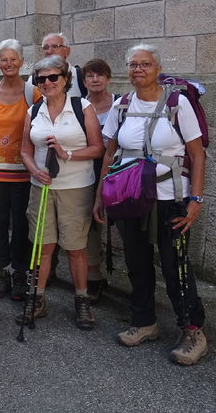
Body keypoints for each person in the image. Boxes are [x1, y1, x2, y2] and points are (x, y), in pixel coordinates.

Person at [94, 44, 208, 365]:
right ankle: (144, 322)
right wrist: (101, 195)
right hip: (130, 197)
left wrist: (196, 199)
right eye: (133, 64)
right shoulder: (121, 105)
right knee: (137, 262)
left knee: (176, 265)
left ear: (158, 69)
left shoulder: (177, 103)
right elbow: (109, 154)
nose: (138, 69)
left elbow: (197, 154)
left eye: (145, 64)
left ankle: (193, 331)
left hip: (171, 199)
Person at [18, 55, 103, 330]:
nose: (47, 82)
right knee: (42, 246)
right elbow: (25, 150)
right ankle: (37, 299)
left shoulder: (82, 107)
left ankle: (82, 301)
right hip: (41, 187)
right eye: (41, 79)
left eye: (53, 77)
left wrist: (68, 154)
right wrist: (34, 170)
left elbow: (98, 148)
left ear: (65, 78)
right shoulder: (34, 110)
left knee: (76, 248)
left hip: (75, 188)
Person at [0, 39, 41, 301]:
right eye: (4, 59)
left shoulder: (33, 93)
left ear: (22, 62)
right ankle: (0, 271)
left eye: (13, 59)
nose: (8, 64)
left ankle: (20, 273)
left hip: (24, 172)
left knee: (23, 225)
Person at [81, 58, 116, 302]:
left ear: (108, 79)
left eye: (100, 75)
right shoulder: (80, 106)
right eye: (90, 76)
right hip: (89, 168)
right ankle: (93, 273)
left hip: (118, 170)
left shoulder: (120, 104)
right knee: (92, 222)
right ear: (84, 81)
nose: (95, 80)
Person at [26, 33, 87, 98]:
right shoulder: (34, 79)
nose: (49, 51)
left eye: (55, 47)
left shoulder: (81, 76)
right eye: (46, 48)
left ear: (67, 51)